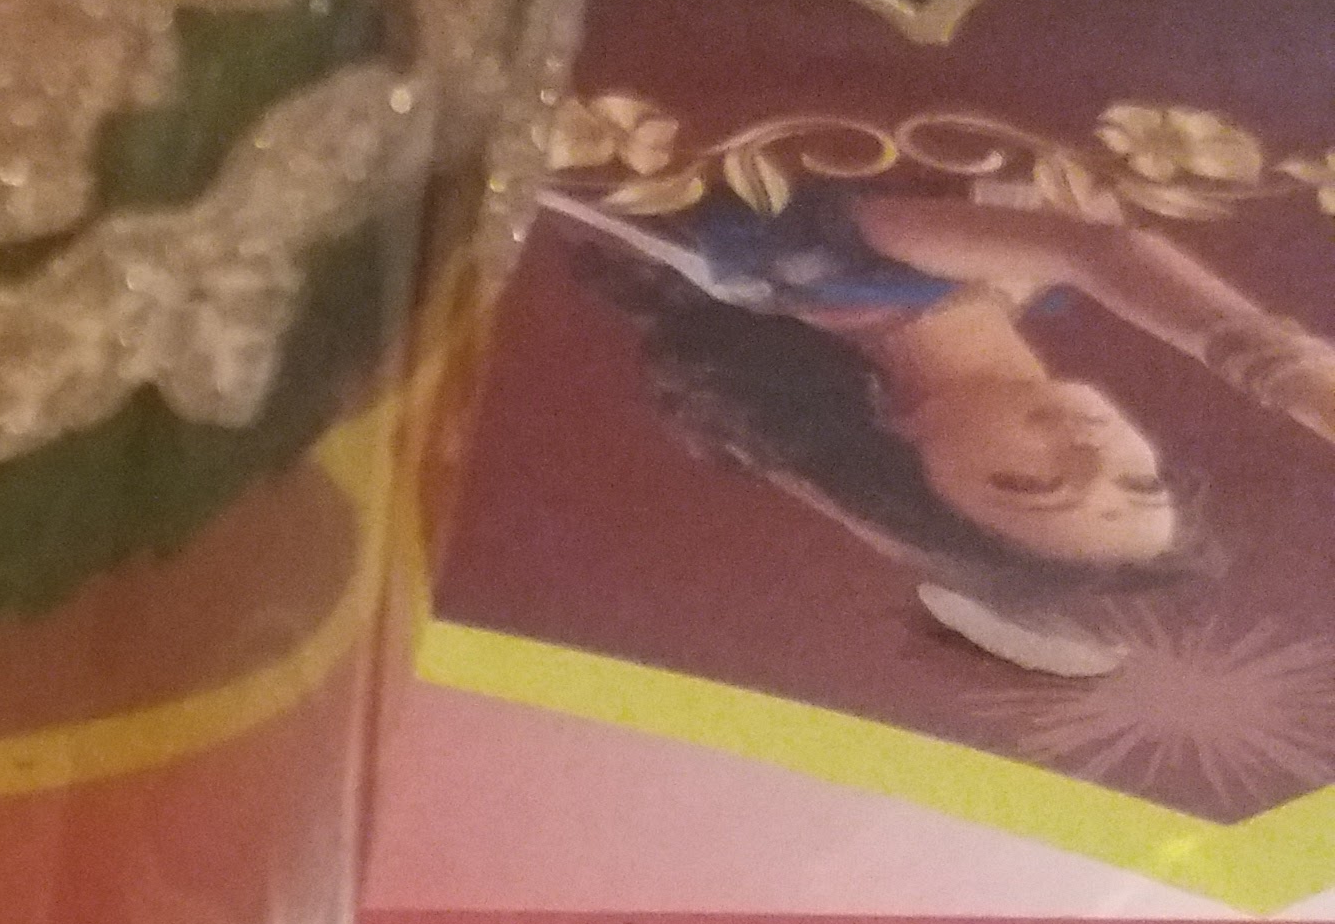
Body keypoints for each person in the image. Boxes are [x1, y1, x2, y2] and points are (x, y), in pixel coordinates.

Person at [546, 163, 1335, 616]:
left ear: (908, 442)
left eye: (1030, 483)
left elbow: (1097, 247)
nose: (1092, 453)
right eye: (1139, 481)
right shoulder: (1022, 289)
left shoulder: (826, 278)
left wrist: (1289, 375)